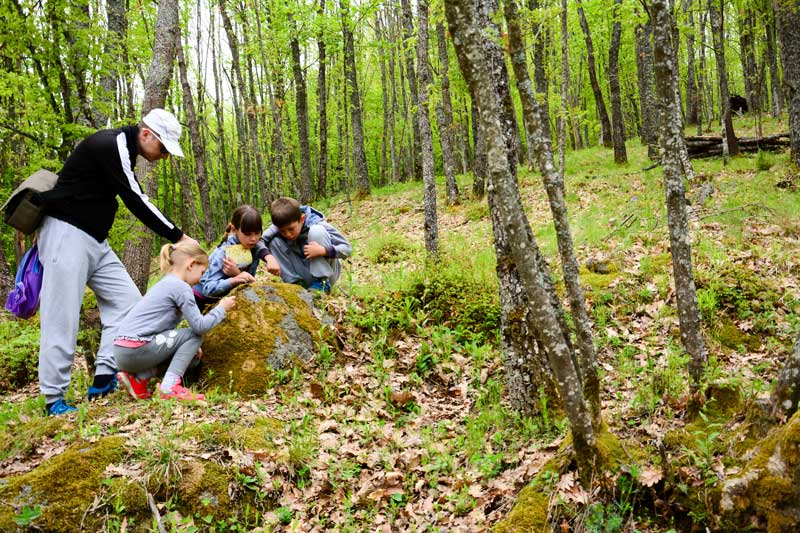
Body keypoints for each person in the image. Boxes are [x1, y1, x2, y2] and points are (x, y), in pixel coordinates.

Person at [36, 108, 198, 415]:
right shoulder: (110, 145)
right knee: (62, 316)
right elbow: (135, 198)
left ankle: (104, 377)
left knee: (129, 305)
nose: (164, 157)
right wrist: (178, 236)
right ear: (147, 134)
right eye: (163, 149)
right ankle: (53, 399)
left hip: (96, 240)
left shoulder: (123, 149)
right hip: (66, 233)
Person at [115, 242, 234, 401]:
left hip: (123, 351)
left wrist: (188, 348)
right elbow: (199, 327)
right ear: (191, 265)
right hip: (136, 349)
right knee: (194, 336)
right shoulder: (181, 287)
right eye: (202, 272)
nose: (201, 279)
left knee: (192, 359)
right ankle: (169, 387)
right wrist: (222, 308)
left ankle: (138, 379)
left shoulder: (166, 283)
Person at [261, 197, 351, 292]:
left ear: (302, 219)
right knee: (274, 241)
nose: (288, 234)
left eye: (291, 229)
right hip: (303, 274)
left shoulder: (317, 223)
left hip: (328, 274)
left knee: (317, 231)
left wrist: (324, 251)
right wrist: (268, 257)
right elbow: (259, 240)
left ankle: (322, 283)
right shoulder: (279, 225)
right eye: (282, 231)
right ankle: (295, 285)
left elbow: (347, 249)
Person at [193, 205, 270, 308]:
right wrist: (234, 279)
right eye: (247, 234)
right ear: (234, 229)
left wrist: (237, 274)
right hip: (200, 299)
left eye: (257, 233)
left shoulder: (253, 247)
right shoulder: (224, 253)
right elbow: (208, 288)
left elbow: (248, 281)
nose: (253, 238)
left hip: (225, 299)